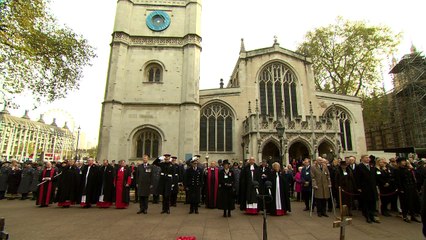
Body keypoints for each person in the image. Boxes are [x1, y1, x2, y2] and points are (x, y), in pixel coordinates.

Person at [395, 157, 421, 223]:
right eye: (402, 161)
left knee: (412, 202)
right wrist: (400, 189)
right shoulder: (397, 170)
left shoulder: (408, 169)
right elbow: (398, 181)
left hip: (411, 187)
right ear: (399, 162)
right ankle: (405, 216)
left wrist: (415, 187)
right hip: (404, 188)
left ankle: (413, 215)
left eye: (404, 161)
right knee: (405, 203)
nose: (404, 162)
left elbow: (413, 178)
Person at [355, 154, 379, 223]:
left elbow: (375, 176)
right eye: (366, 157)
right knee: (366, 203)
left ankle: (372, 216)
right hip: (365, 187)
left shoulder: (372, 166)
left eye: (368, 158)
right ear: (362, 159)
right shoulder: (359, 167)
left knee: (372, 202)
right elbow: (357, 178)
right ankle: (367, 216)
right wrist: (359, 187)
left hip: (372, 187)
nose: (368, 159)